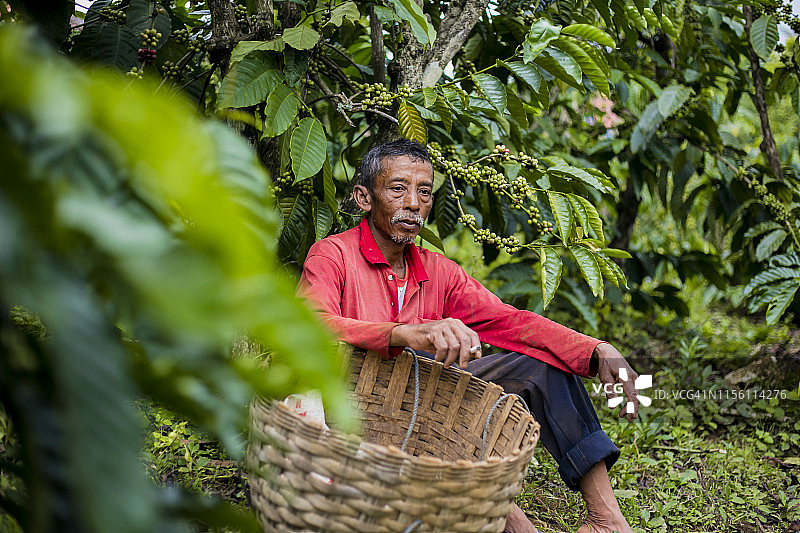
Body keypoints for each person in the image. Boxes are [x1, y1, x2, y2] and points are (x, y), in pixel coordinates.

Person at [298, 139, 640, 533]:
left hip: (430, 408)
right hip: (357, 414)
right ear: (364, 197)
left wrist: (596, 349)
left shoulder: (438, 269)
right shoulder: (331, 254)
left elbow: (510, 322)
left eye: (424, 192)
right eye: (397, 189)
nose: (413, 203)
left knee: (543, 367)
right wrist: (406, 334)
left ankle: (607, 520)